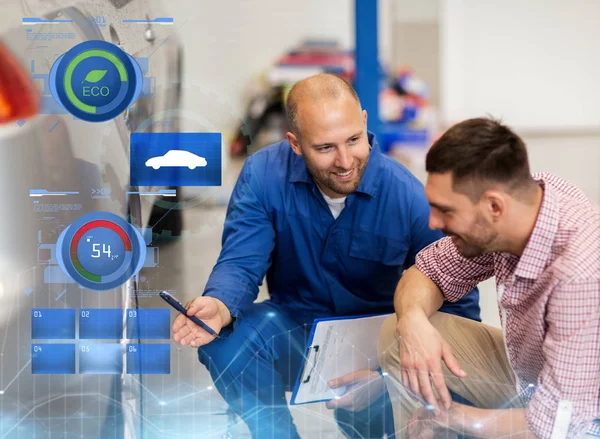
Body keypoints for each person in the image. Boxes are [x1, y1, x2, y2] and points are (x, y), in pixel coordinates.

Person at [171, 74, 480, 438]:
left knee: (410, 409)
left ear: (365, 122)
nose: (346, 160)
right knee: (226, 339)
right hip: (296, 331)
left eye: (353, 139)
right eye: (325, 148)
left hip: (379, 354)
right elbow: (241, 259)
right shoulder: (263, 176)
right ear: (295, 143)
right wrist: (220, 304)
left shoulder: (408, 197)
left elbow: (458, 311)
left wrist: (388, 379)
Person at [378, 117, 600, 438]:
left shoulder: (579, 276)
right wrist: (412, 320)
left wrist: (456, 417)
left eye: (445, 210)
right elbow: (426, 272)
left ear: (494, 206)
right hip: (535, 376)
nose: (432, 222)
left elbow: (561, 427)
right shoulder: (526, 201)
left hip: (583, 418)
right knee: (399, 334)